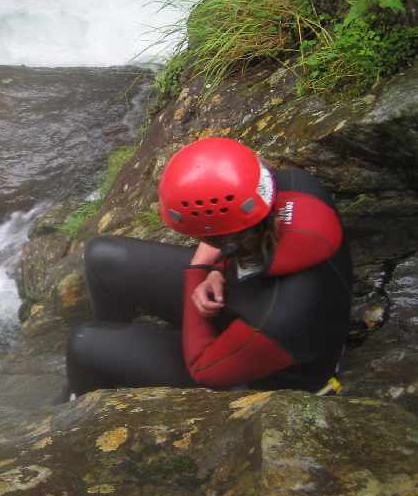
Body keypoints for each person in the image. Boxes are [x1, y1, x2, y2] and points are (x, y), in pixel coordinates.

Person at [65, 137, 353, 399]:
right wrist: (212, 270)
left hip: (261, 370)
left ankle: (89, 399)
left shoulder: (276, 318)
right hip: (246, 299)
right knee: (102, 256)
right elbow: (236, 229)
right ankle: (113, 346)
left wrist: (197, 280)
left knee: (83, 343)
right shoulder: (294, 185)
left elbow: (203, 367)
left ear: (218, 237)